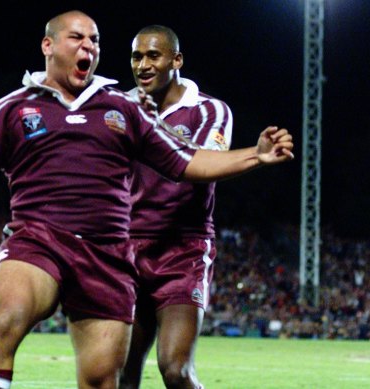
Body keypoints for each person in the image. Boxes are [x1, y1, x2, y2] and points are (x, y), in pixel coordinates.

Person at [0, 10, 293, 389]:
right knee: (7, 321)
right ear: (48, 45)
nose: (89, 47)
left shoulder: (125, 110)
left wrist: (256, 155)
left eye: (95, 40)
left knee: (113, 378)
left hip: (115, 254)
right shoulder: (13, 109)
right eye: (77, 37)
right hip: (40, 240)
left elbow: (187, 163)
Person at [120, 25, 236, 389]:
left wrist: (147, 123)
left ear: (176, 60)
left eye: (153, 55)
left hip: (182, 249)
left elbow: (207, 163)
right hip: (126, 248)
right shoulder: (121, 109)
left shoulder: (208, 110)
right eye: (137, 57)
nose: (143, 65)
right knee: (122, 370)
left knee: (175, 369)